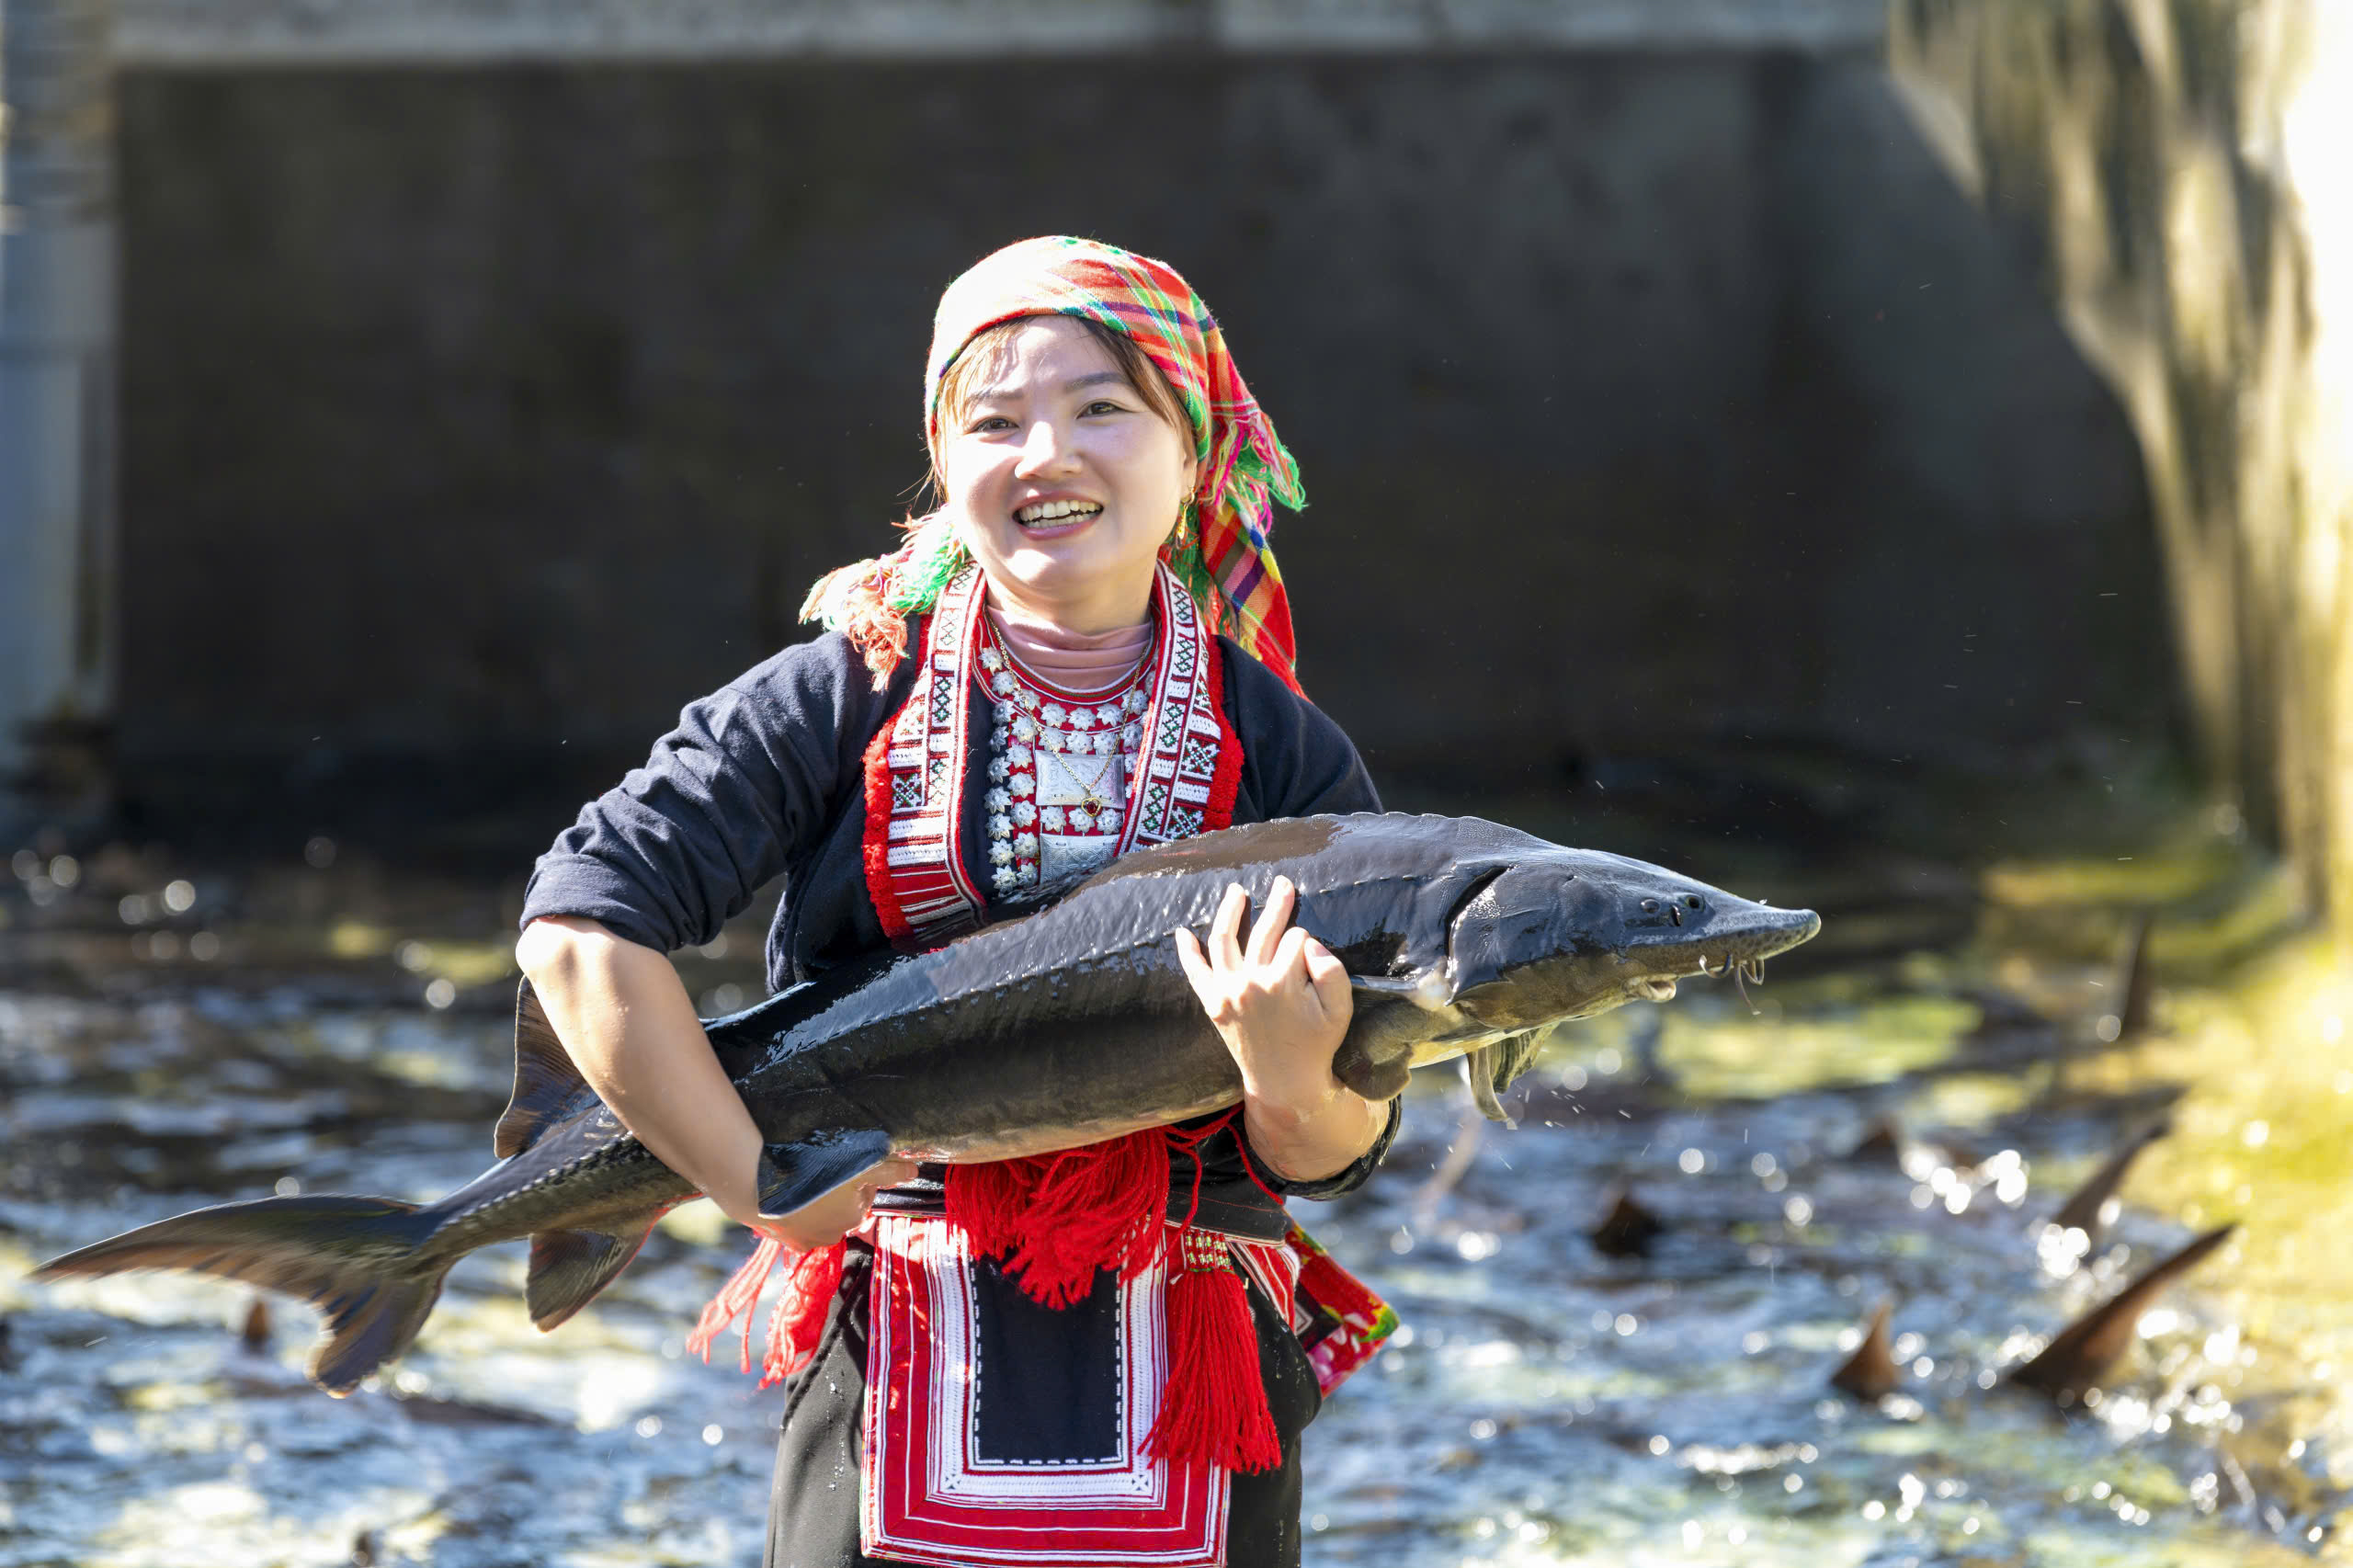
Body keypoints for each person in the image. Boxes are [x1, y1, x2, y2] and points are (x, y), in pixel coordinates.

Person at [513, 235, 1399, 1568]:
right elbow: (581, 921)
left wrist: (1293, 1086)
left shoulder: (1280, 748)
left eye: (1104, 406)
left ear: (1194, 445)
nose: (1047, 453)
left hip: (1196, 1368)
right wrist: (754, 1181)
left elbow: (1339, 1151)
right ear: (942, 465)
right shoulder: (842, 694)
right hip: (895, 1345)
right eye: (994, 419)